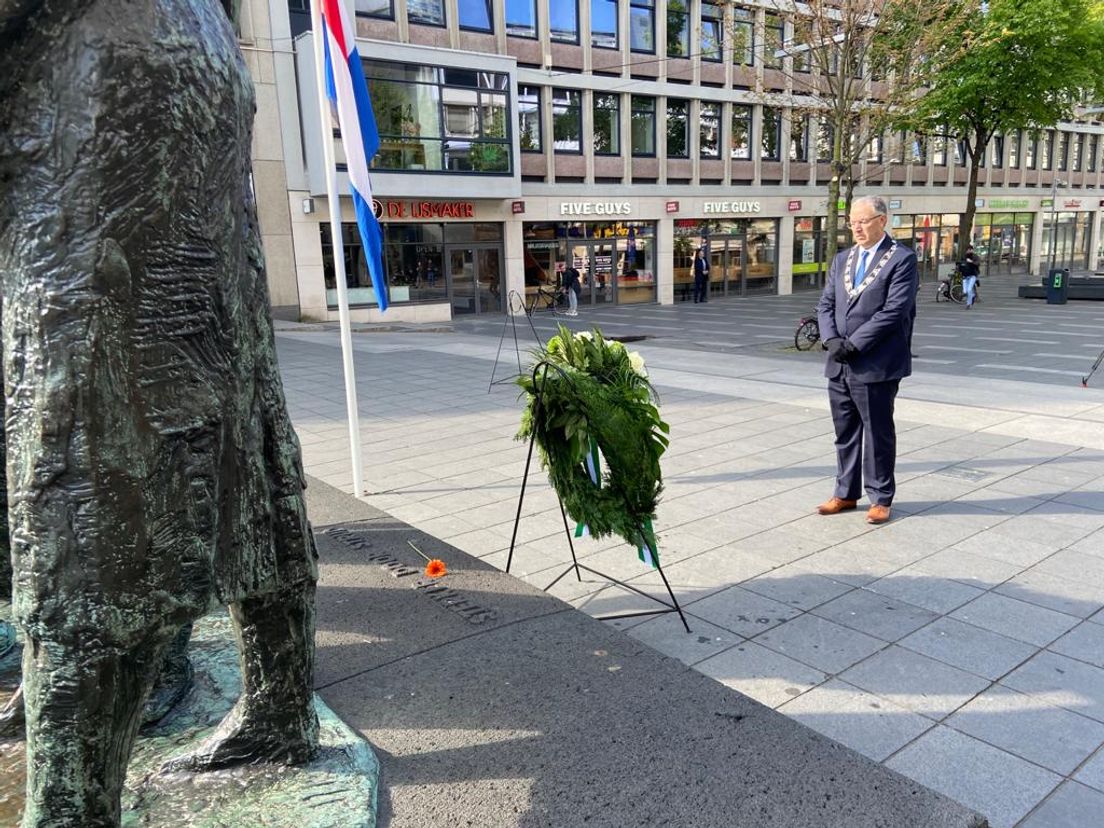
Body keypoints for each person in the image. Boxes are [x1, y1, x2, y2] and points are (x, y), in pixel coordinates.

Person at [816, 195, 918, 525]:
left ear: (882, 221)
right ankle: (845, 492)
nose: (857, 227)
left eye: (863, 221)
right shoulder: (843, 258)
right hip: (840, 362)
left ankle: (880, 497)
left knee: (877, 433)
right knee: (844, 432)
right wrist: (831, 339)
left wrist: (854, 345)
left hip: (876, 363)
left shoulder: (901, 260)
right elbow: (826, 304)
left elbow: (893, 311)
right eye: (852, 222)